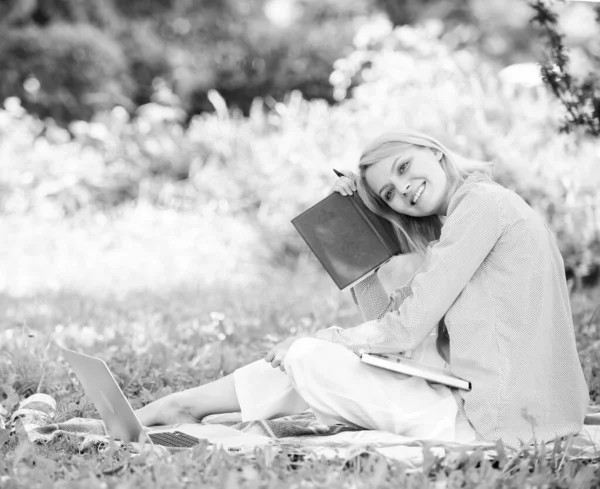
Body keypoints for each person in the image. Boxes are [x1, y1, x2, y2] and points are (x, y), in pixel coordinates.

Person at [136, 130, 589, 447]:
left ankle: (183, 406)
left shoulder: (483, 209)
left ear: (434, 150)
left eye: (405, 166)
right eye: (388, 194)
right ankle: (182, 405)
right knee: (319, 359)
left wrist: (320, 340)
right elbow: (387, 331)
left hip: (493, 422)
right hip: (497, 408)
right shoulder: (469, 217)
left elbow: (403, 331)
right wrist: (357, 226)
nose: (404, 189)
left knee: (309, 356)